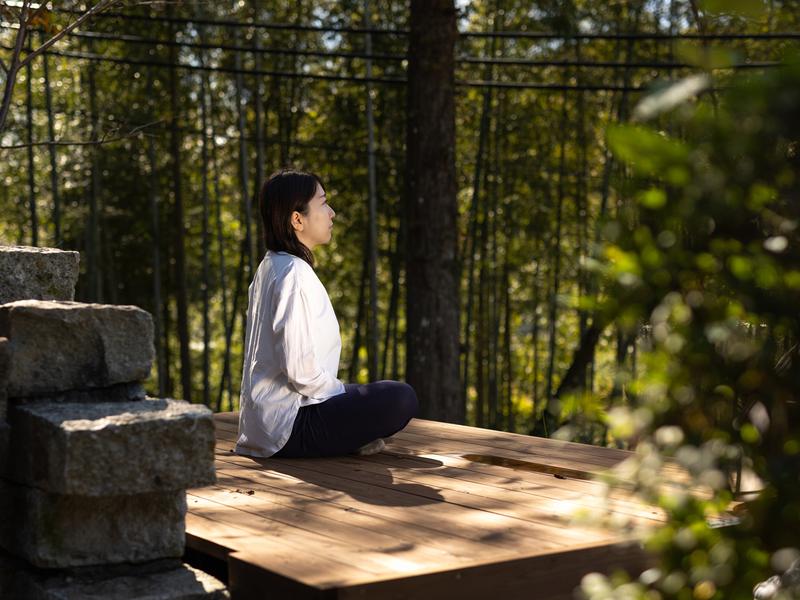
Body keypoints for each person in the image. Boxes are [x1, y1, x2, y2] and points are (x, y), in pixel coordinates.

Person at [235, 168, 418, 458]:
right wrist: (343, 393)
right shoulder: (292, 274)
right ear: (297, 219)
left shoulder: (271, 265)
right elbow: (299, 369)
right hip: (290, 427)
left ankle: (347, 435)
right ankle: (345, 438)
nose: (331, 213)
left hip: (267, 425)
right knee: (400, 398)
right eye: (323, 203)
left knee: (374, 394)